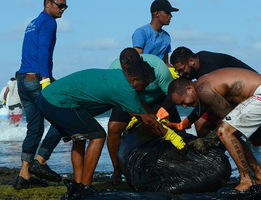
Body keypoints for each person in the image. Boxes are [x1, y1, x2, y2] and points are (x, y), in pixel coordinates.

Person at [38, 60, 186, 199]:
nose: (145, 88)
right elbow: (148, 122)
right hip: (58, 102)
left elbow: (141, 106)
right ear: (134, 80)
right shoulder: (125, 90)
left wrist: (152, 116)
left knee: (81, 136)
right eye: (144, 84)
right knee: (98, 136)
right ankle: (85, 187)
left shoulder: (118, 76)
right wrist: (175, 139)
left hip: (48, 97)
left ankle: (78, 185)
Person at [168, 46, 261, 182]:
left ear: (191, 61)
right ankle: (217, 162)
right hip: (243, 101)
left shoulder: (208, 68)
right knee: (210, 126)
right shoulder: (200, 71)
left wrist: (213, 137)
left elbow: (211, 103)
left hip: (256, 96)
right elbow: (208, 103)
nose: (181, 74)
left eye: (181, 70)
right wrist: (188, 123)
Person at [168, 68, 261, 191]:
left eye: (183, 101)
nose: (184, 106)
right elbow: (230, 122)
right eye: (181, 105)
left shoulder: (202, 89)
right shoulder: (202, 86)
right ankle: (260, 176)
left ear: (189, 89)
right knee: (230, 133)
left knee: (224, 132)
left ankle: (246, 180)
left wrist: (208, 140)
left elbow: (227, 117)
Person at [13, 0, 68, 190]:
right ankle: (41, 161)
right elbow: (43, 51)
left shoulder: (33, 22)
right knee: (66, 117)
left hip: (22, 79)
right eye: (60, 5)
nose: (62, 9)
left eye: (65, 6)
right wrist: (45, 79)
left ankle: (24, 174)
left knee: (34, 128)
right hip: (37, 79)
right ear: (47, 3)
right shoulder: (49, 22)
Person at [107, 47, 181, 185]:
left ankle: (178, 164)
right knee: (113, 128)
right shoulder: (114, 69)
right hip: (128, 100)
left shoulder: (158, 67)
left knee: (177, 128)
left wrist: (160, 115)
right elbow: (117, 97)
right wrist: (139, 115)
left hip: (156, 99)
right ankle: (117, 170)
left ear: (141, 60)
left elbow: (172, 95)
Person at [132, 0, 179, 78]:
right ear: (157, 13)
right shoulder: (141, 32)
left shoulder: (166, 36)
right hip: (145, 75)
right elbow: (137, 59)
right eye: (167, 12)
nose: (170, 16)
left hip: (161, 75)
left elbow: (166, 62)